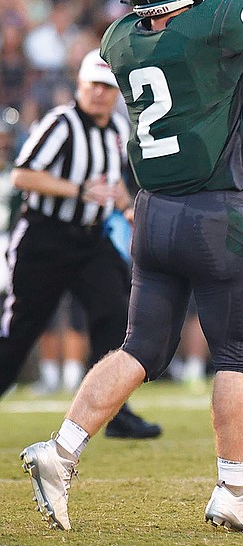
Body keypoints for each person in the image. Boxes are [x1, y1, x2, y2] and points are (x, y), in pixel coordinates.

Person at [19, 0, 243, 532]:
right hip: (213, 216)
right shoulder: (215, 22)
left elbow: (174, 13)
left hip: (152, 217)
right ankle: (232, 491)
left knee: (139, 347)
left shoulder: (119, 40)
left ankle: (62, 451)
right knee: (237, 353)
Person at [0, 49, 161, 438]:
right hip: (44, 239)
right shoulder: (61, 124)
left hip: (90, 240)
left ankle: (115, 412)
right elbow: (22, 176)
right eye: (94, 86)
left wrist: (126, 209)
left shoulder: (118, 129)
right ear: (80, 85)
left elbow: (111, 181)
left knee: (117, 315)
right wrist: (76, 190)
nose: (100, 94)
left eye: (108, 87)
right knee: (22, 329)